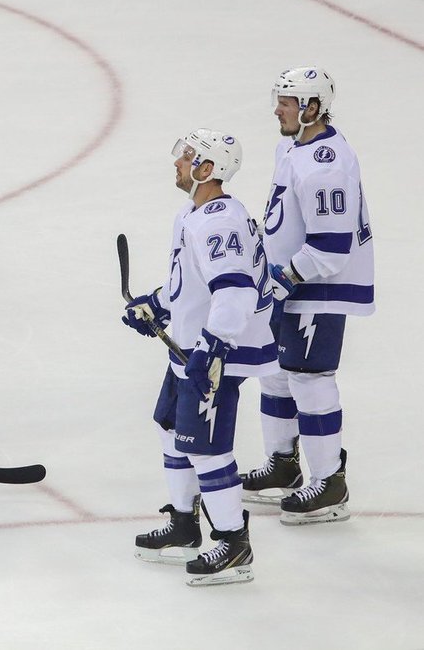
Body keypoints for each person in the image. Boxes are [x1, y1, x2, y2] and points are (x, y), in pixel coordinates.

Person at [122, 129, 278, 586]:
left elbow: (234, 290)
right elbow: (188, 286)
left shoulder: (219, 222)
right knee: (173, 431)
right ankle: (186, 525)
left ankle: (234, 543)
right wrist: (156, 303)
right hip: (195, 346)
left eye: (187, 157)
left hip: (216, 352)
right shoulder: (195, 214)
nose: (177, 163)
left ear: (208, 169)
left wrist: (213, 346)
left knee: (207, 450)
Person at [239, 68, 375, 525]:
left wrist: (283, 277)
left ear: (312, 107)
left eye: (288, 101)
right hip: (290, 282)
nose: (277, 108)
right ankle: (283, 464)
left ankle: (330, 482)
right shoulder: (292, 147)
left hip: (317, 287)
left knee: (309, 379)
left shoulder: (327, 166)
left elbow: (331, 248)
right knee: (275, 373)